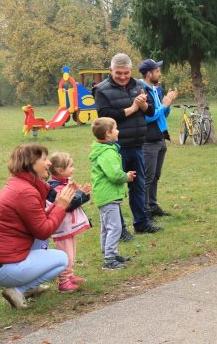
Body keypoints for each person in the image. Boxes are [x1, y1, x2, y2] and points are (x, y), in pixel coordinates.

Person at [0, 144, 77, 309]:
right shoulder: (25, 192)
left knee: (42, 242)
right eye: (44, 159)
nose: (49, 163)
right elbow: (44, 231)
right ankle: (19, 290)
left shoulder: (21, 184)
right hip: (1, 267)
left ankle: (28, 287)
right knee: (62, 259)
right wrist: (61, 207)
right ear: (31, 163)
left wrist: (57, 204)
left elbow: (39, 224)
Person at [94, 53, 160, 237]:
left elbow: (151, 111)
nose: (122, 77)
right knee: (115, 189)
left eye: (126, 73)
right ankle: (119, 229)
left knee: (138, 186)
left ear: (131, 70)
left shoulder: (139, 86)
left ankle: (142, 223)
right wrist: (132, 108)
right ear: (110, 70)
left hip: (137, 145)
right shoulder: (101, 90)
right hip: (114, 149)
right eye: (118, 73)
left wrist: (143, 105)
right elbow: (104, 115)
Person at [90, 117, 136, 269]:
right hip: (108, 196)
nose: (118, 131)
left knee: (106, 227)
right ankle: (109, 260)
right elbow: (115, 175)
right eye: (115, 129)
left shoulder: (103, 149)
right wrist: (126, 177)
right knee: (115, 228)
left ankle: (110, 253)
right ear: (108, 133)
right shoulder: (107, 152)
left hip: (104, 195)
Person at [46, 152, 92, 292]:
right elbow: (70, 204)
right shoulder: (56, 188)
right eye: (70, 166)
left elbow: (74, 199)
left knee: (71, 252)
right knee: (66, 254)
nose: (73, 169)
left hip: (68, 226)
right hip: (62, 227)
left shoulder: (64, 184)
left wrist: (82, 193)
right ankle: (63, 282)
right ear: (60, 170)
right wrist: (81, 194)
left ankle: (70, 275)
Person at [139, 59, 178, 218]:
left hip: (160, 137)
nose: (159, 73)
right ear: (149, 74)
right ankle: (145, 212)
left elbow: (163, 114)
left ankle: (153, 205)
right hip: (149, 141)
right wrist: (164, 105)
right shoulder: (141, 91)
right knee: (147, 178)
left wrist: (168, 103)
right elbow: (148, 117)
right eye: (157, 71)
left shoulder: (155, 89)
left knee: (155, 176)